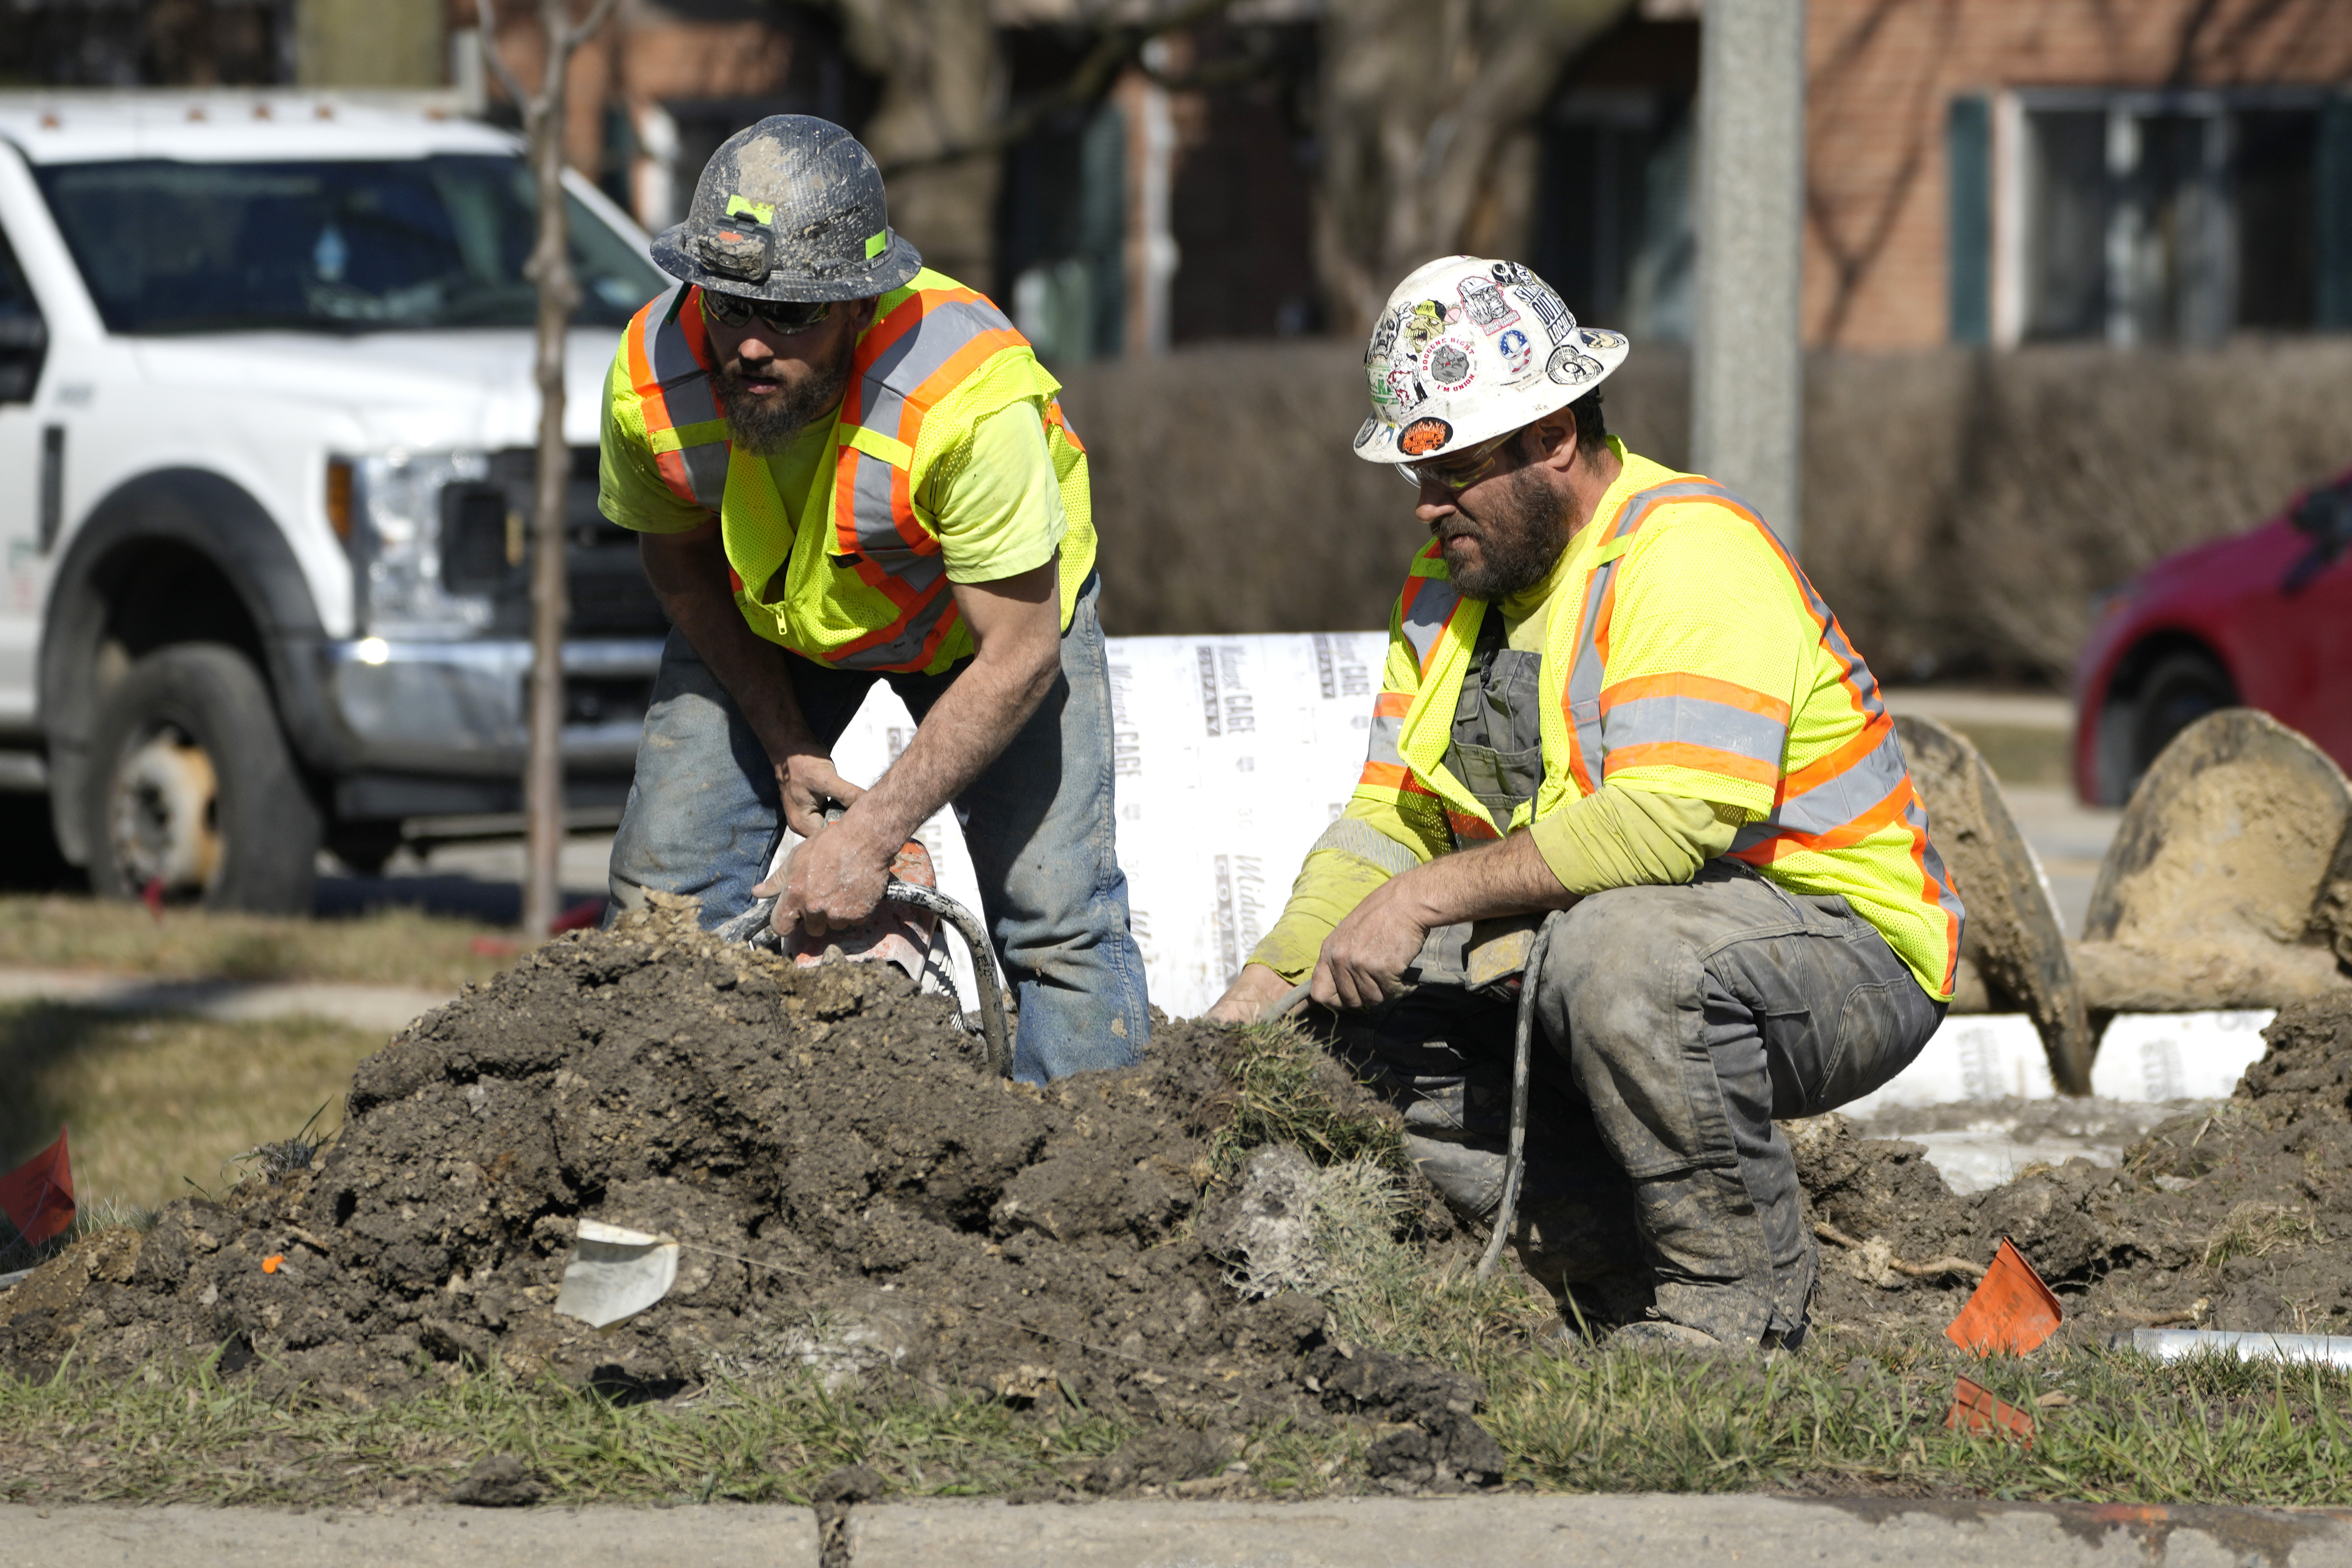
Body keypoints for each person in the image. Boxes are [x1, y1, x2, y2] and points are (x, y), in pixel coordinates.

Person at [1208, 256, 1964, 1349]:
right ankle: (1615, 1253)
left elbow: (1664, 820)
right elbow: (1391, 818)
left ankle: (1734, 1315)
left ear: (1552, 436)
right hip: (1592, 954)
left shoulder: (1687, 553)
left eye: (1452, 471)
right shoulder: (1446, 590)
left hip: (1841, 954)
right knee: (1333, 1042)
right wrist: (1270, 982)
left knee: (1620, 958)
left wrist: (1423, 899)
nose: (1427, 508)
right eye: (1414, 477)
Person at [599, 115, 1151, 1083]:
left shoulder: (967, 401)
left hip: (978, 645)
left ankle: (1089, 1196)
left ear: (861, 301)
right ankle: (643, 1172)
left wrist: (869, 832)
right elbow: (680, 564)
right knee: (660, 905)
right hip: (769, 623)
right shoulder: (650, 375)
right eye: (728, 307)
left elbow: (1019, 655)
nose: (750, 346)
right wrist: (783, 741)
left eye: (791, 316)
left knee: (1059, 923)